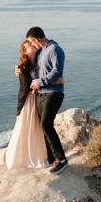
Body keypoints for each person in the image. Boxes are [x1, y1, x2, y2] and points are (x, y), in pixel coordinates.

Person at [26, 26, 68, 175]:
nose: (31, 45)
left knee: (46, 124)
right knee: (42, 126)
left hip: (54, 93)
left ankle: (61, 160)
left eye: (31, 42)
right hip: (41, 94)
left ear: (36, 39)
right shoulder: (41, 52)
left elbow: (57, 72)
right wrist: (17, 69)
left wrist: (40, 81)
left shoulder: (55, 49)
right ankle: (51, 157)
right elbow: (30, 65)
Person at [5, 40, 49, 169]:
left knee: (37, 128)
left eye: (32, 43)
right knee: (26, 127)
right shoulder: (22, 66)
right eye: (28, 46)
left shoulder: (40, 59)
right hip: (28, 101)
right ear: (25, 51)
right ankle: (22, 158)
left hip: (38, 98)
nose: (32, 45)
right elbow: (27, 86)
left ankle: (39, 154)